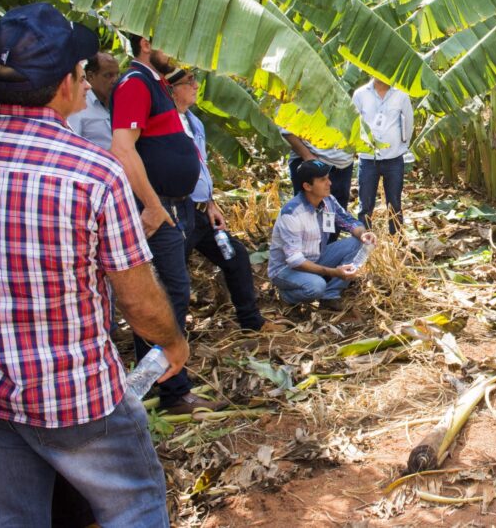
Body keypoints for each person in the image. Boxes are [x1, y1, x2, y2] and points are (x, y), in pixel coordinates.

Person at [0, 3, 190, 527]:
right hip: (75, 395)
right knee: (133, 508)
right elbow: (136, 297)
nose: (88, 86)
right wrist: (172, 343)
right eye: (83, 75)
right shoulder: (91, 173)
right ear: (65, 83)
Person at [109, 34, 228, 415]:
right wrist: (153, 206)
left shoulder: (156, 84)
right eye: (167, 41)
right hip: (155, 209)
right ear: (146, 43)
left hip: (172, 207)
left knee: (174, 294)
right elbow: (123, 149)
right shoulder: (134, 84)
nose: (175, 51)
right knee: (164, 296)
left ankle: (160, 387)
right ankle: (165, 390)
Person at [167, 68, 284, 333]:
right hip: (178, 210)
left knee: (236, 256)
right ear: (172, 89)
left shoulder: (192, 121)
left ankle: (251, 321)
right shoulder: (165, 123)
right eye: (189, 82)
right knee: (174, 277)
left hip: (199, 210)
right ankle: (174, 336)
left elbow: (201, 166)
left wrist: (209, 202)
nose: (196, 86)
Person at [269, 160, 377, 311]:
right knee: (316, 286)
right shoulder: (292, 214)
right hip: (286, 269)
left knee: (358, 242)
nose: (329, 183)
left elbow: (349, 222)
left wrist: (364, 234)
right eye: (322, 180)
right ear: (307, 186)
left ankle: (330, 295)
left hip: (315, 257)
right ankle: (286, 295)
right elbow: (295, 261)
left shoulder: (328, 201)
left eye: (328, 177)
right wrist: (334, 272)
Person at [352, 77, 414, 234]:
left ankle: (396, 243)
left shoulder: (401, 95)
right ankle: (364, 245)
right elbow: (353, 123)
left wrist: (402, 147)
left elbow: (408, 123)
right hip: (368, 158)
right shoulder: (360, 95)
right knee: (365, 205)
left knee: (395, 203)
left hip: (394, 159)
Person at [282, 130, 355, 208]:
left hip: (344, 163)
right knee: (307, 211)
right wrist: (307, 156)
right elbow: (284, 129)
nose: (329, 183)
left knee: (337, 211)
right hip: (311, 159)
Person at [67, 52, 120, 149]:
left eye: (117, 75)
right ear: (90, 76)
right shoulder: (79, 106)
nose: (115, 80)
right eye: (108, 75)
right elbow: (71, 146)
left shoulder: (118, 102)